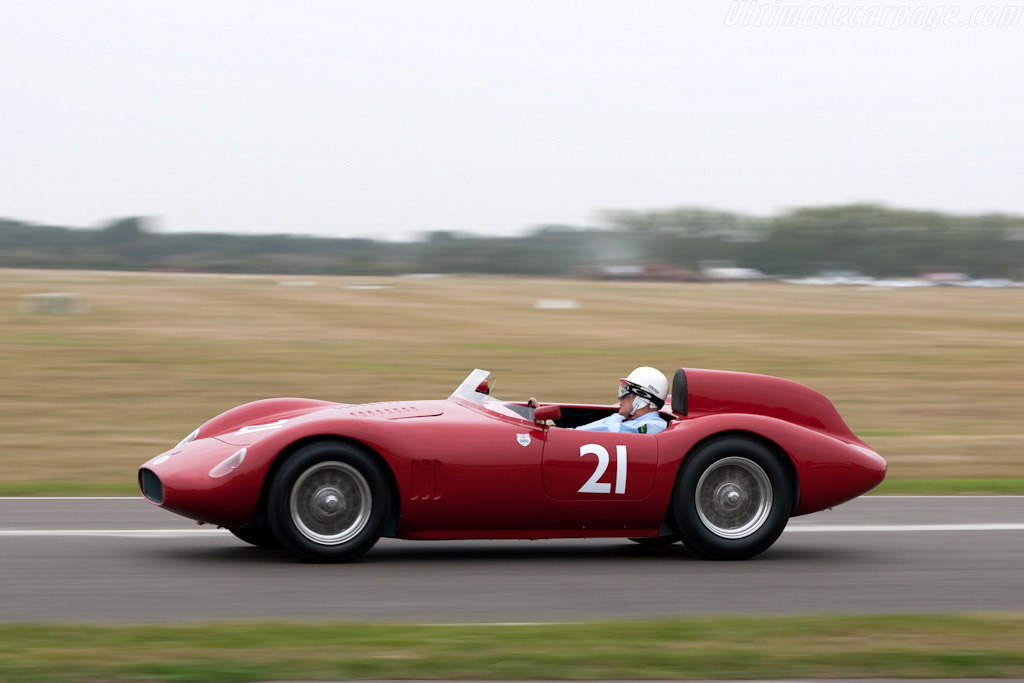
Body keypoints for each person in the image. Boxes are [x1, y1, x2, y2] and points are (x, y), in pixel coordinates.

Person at [528, 366, 669, 434]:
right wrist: (556, 430)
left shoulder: (655, 425)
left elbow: (613, 431)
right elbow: (580, 431)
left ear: (643, 399)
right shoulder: (618, 418)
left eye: (626, 392)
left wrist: (556, 433)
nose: (619, 396)